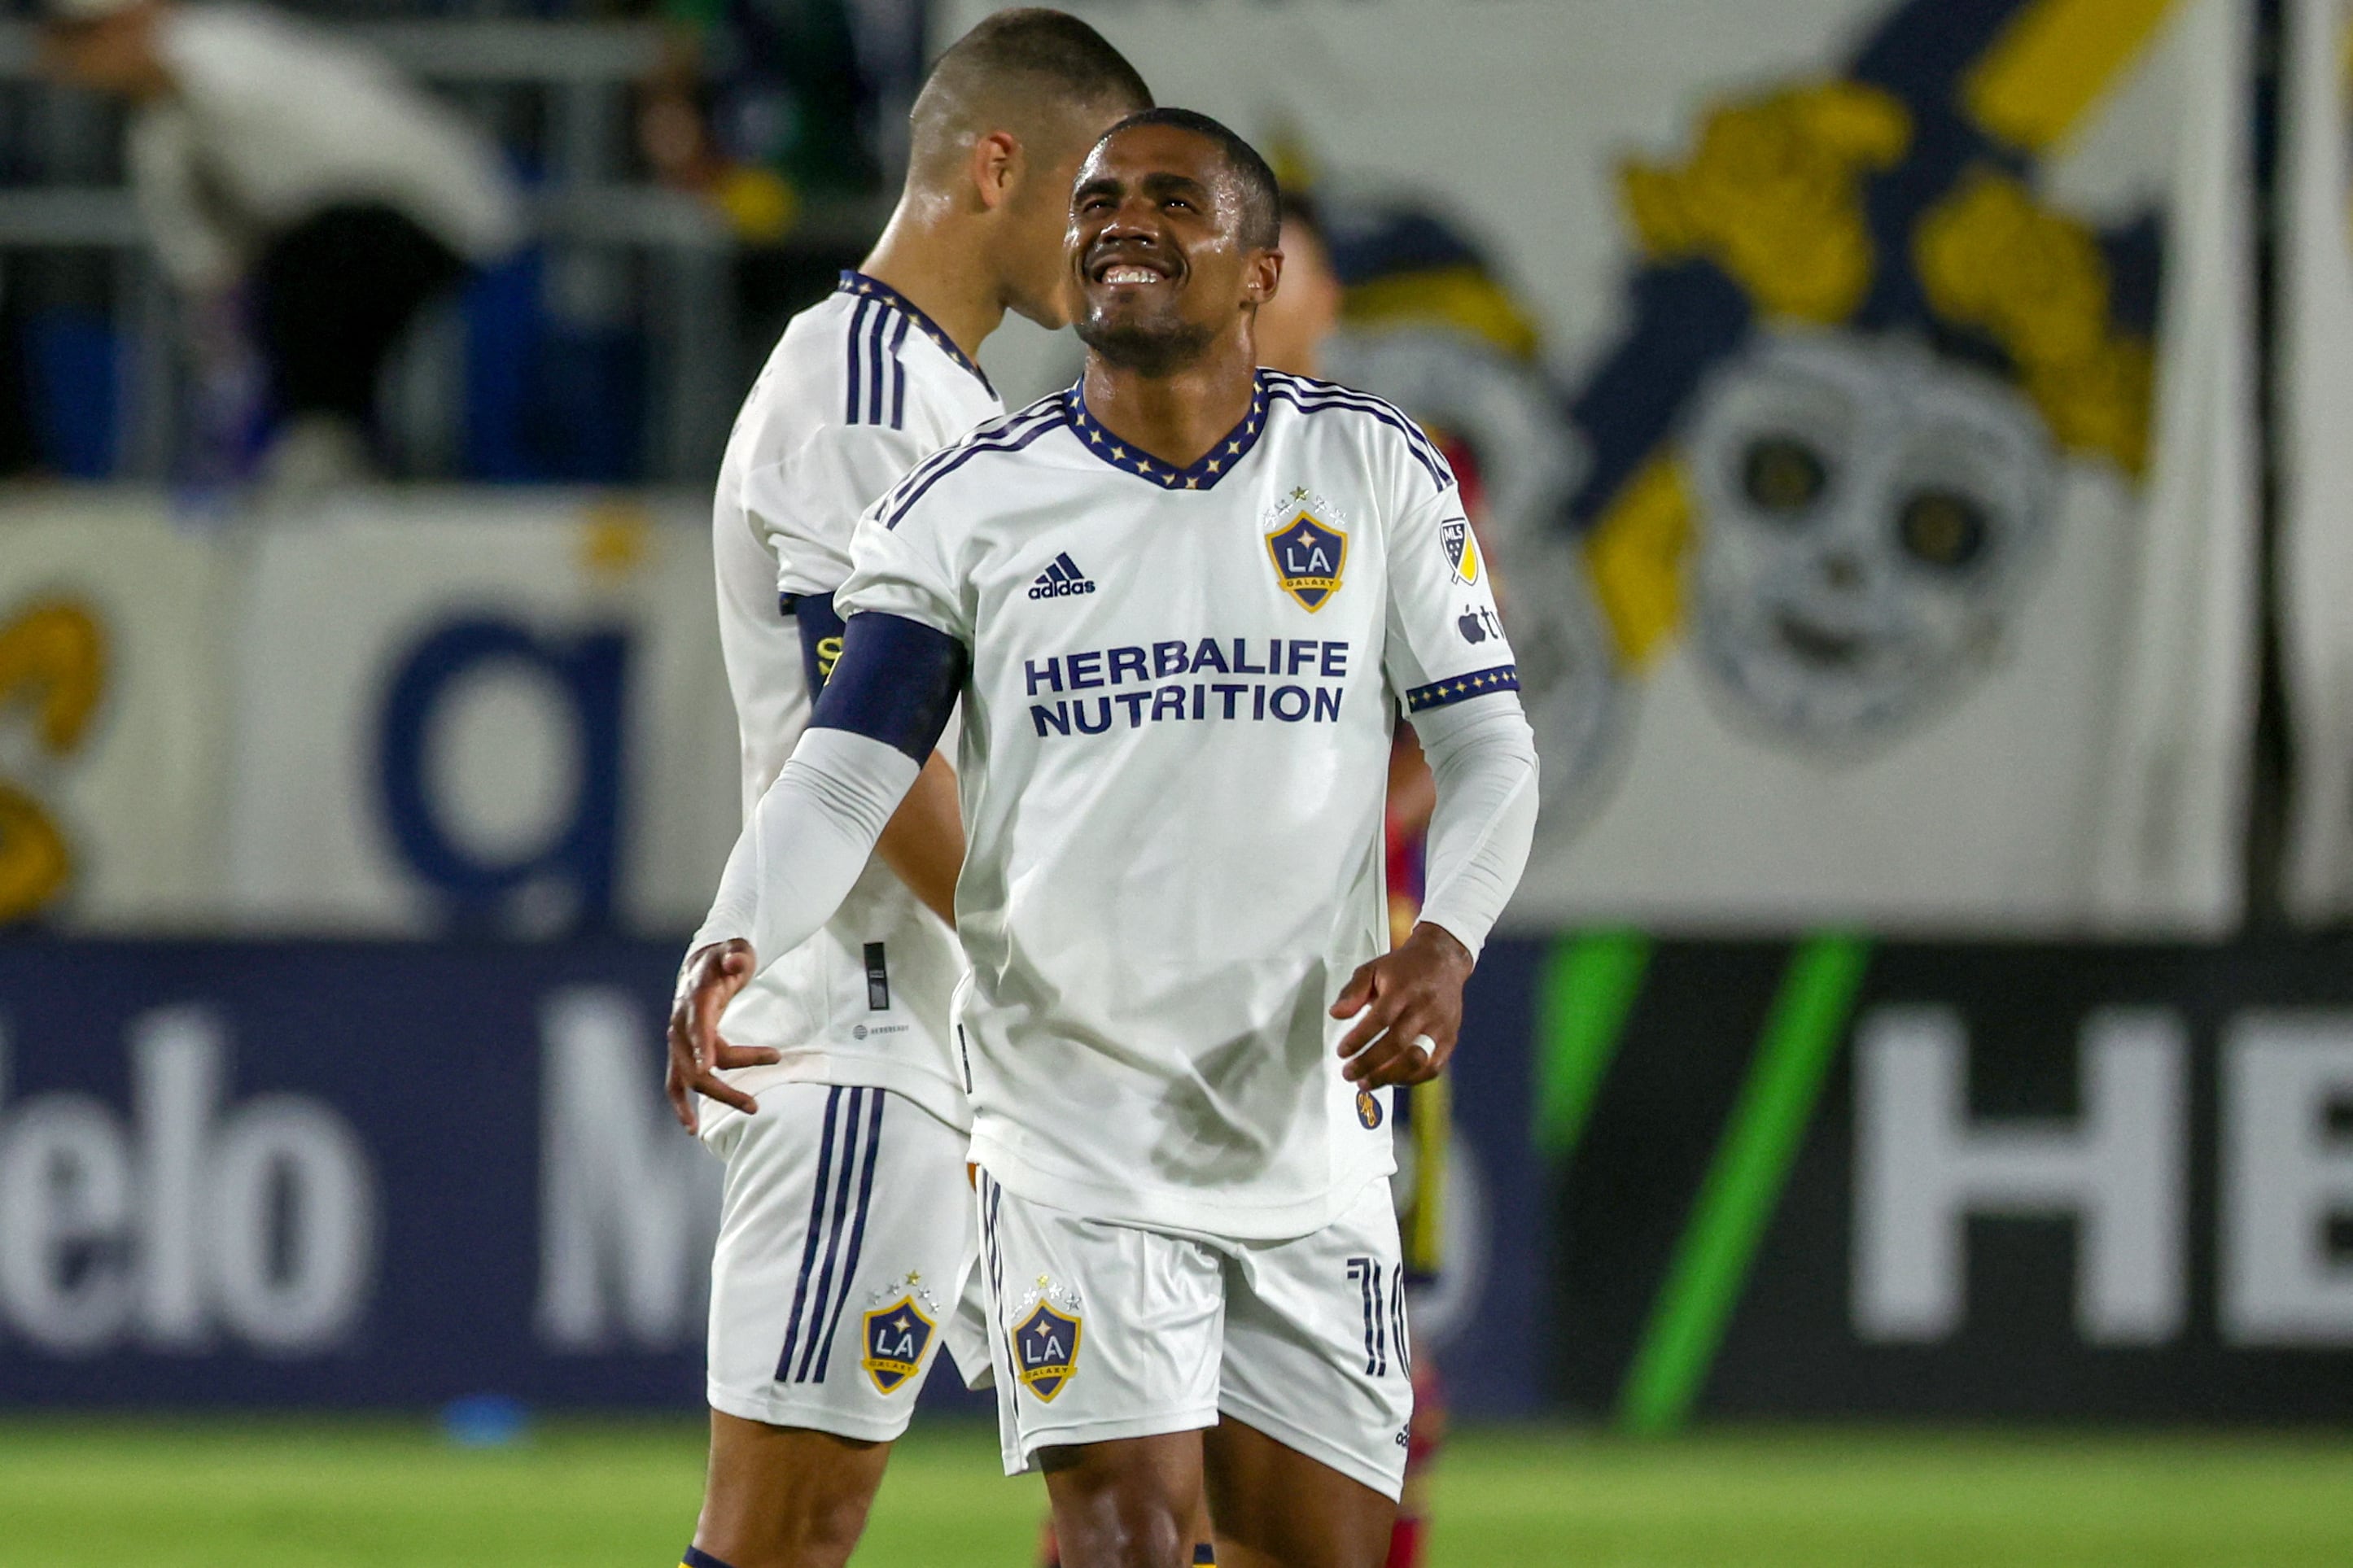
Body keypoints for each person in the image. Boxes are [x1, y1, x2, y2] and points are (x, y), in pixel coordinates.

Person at [676, 108, 1538, 1568]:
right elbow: (845, 770)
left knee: (1311, 1548)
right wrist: (736, 932)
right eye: (1098, 201)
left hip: (1304, 1125)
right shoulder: (966, 503)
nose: (1121, 219)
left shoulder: (1378, 473)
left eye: (1170, 200)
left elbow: (1487, 749)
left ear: (1260, 270)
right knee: (1127, 1534)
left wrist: (1446, 939)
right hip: (1070, 1129)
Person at [660, 14, 1152, 1568]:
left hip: (976, 1062)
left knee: (1140, 1503)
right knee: (789, 1537)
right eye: (1092, 195)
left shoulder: (960, 414)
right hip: (872, 1041)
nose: (1112, 244)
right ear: (995, 165)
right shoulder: (863, 390)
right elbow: (876, 758)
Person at [1252, 190, 1452, 1568]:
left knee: (1362, 1308)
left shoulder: (1387, 467)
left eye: (1296, 263)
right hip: (1170, 952)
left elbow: (1470, 721)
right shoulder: (1102, 465)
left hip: (1352, 946)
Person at [37, 0, 523, 491]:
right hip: (355, 226)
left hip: (438, 208)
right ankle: (319, 446)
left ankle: (328, 443)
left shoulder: (227, 50)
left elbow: (344, 174)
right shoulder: (162, 132)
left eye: (86, 36)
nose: (73, 57)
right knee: (297, 292)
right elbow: (205, 269)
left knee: (318, 268)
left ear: (139, 20)